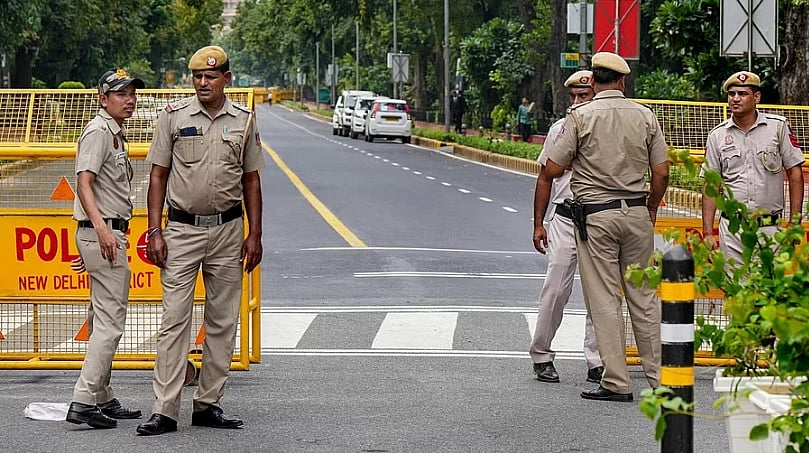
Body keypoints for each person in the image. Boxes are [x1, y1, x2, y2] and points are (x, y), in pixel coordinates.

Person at [136, 45, 265, 436]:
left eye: (210, 77)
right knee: (174, 320)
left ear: (227, 78)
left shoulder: (243, 121)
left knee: (222, 321)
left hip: (228, 232)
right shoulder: (173, 117)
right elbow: (157, 175)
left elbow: (251, 180)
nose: (202, 83)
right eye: (196, 77)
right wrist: (154, 229)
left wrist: (254, 234)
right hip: (180, 231)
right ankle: (165, 410)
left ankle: (208, 403)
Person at [535, 52, 669, 402]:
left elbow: (552, 169)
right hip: (638, 214)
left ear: (594, 82)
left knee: (605, 299)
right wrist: (651, 206)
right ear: (623, 81)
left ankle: (616, 382)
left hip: (596, 217)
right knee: (644, 297)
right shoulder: (645, 116)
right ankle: (659, 379)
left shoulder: (580, 117)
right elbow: (662, 172)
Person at [66, 69, 145, 429]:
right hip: (105, 233)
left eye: (131, 93)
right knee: (111, 324)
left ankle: (102, 396)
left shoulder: (114, 131)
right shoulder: (99, 131)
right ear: (103, 98)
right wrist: (100, 231)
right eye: (120, 94)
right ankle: (83, 400)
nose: (128, 99)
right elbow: (84, 183)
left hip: (105, 233)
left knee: (101, 318)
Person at [530, 70, 602, 384]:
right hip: (564, 219)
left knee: (599, 296)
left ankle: (597, 361)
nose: (576, 102)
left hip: (600, 220)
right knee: (555, 290)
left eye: (583, 96)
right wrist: (538, 224)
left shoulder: (606, 130)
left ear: (597, 94)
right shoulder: (559, 129)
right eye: (572, 96)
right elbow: (545, 177)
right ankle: (542, 355)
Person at [701, 71, 804, 264]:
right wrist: (707, 232)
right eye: (732, 94)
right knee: (734, 292)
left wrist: (794, 222)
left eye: (742, 94)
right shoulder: (717, 135)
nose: (735, 99)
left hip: (770, 230)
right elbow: (711, 185)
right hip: (732, 230)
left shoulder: (778, 128)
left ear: (756, 97)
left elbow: (795, 173)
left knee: (768, 290)